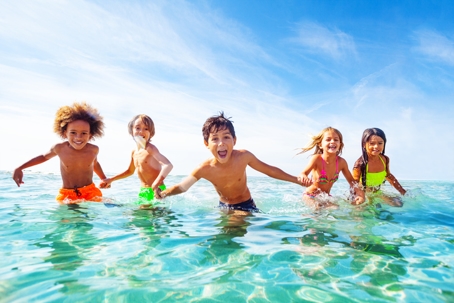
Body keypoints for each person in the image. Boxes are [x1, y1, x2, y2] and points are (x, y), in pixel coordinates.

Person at [156, 112, 303, 212]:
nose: (221, 143)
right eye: (214, 139)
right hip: (224, 207)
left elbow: (269, 170)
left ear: (234, 140)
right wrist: (164, 193)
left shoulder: (243, 157)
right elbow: (182, 187)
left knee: (237, 229)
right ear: (206, 143)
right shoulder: (204, 168)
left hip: (246, 205)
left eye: (226, 137)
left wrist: (296, 180)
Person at [12, 102, 107, 203]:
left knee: (109, 206)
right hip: (67, 194)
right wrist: (20, 168)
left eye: (84, 133)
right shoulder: (60, 148)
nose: (78, 137)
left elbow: (94, 163)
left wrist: (103, 178)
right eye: (73, 132)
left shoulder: (93, 150)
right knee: (68, 217)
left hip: (90, 191)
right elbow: (43, 157)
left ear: (90, 135)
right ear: (65, 133)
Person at [100, 114, 173, 208]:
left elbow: (168, 165)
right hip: (143, 191)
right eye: (137, 128)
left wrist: (156, 184)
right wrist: (111, 180)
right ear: (131, 131)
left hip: (156, 190)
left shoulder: (150, 149)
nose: (141, 131)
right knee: (140, 217)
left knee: (141, 215)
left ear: (151, 132)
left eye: (146, 129)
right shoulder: (134, 152)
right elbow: (130, 171)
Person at [298, 126, 365, 209]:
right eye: (328, 139)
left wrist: (360, 194)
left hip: (326, 197)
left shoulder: (341, 162)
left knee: (336, 208)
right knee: (317, 208)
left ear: (340, 144)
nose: (332, 141)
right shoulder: (316, 159)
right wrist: (303, 176)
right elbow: (303, 173)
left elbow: (352, 181)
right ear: (320, 144)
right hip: (310, 195)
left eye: (336, 139)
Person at [352, 128, 406, 207]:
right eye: (372, 143)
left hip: (377, 192)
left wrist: (402, 191)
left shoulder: (385, 159)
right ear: (364, 144)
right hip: (363, 195)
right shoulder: (360, 164)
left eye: (380, 143)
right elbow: (353, 184)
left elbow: (389, 176)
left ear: (384, 144)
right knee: (361, 214)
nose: (376, 146)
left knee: (399, 204)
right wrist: (356, 198)